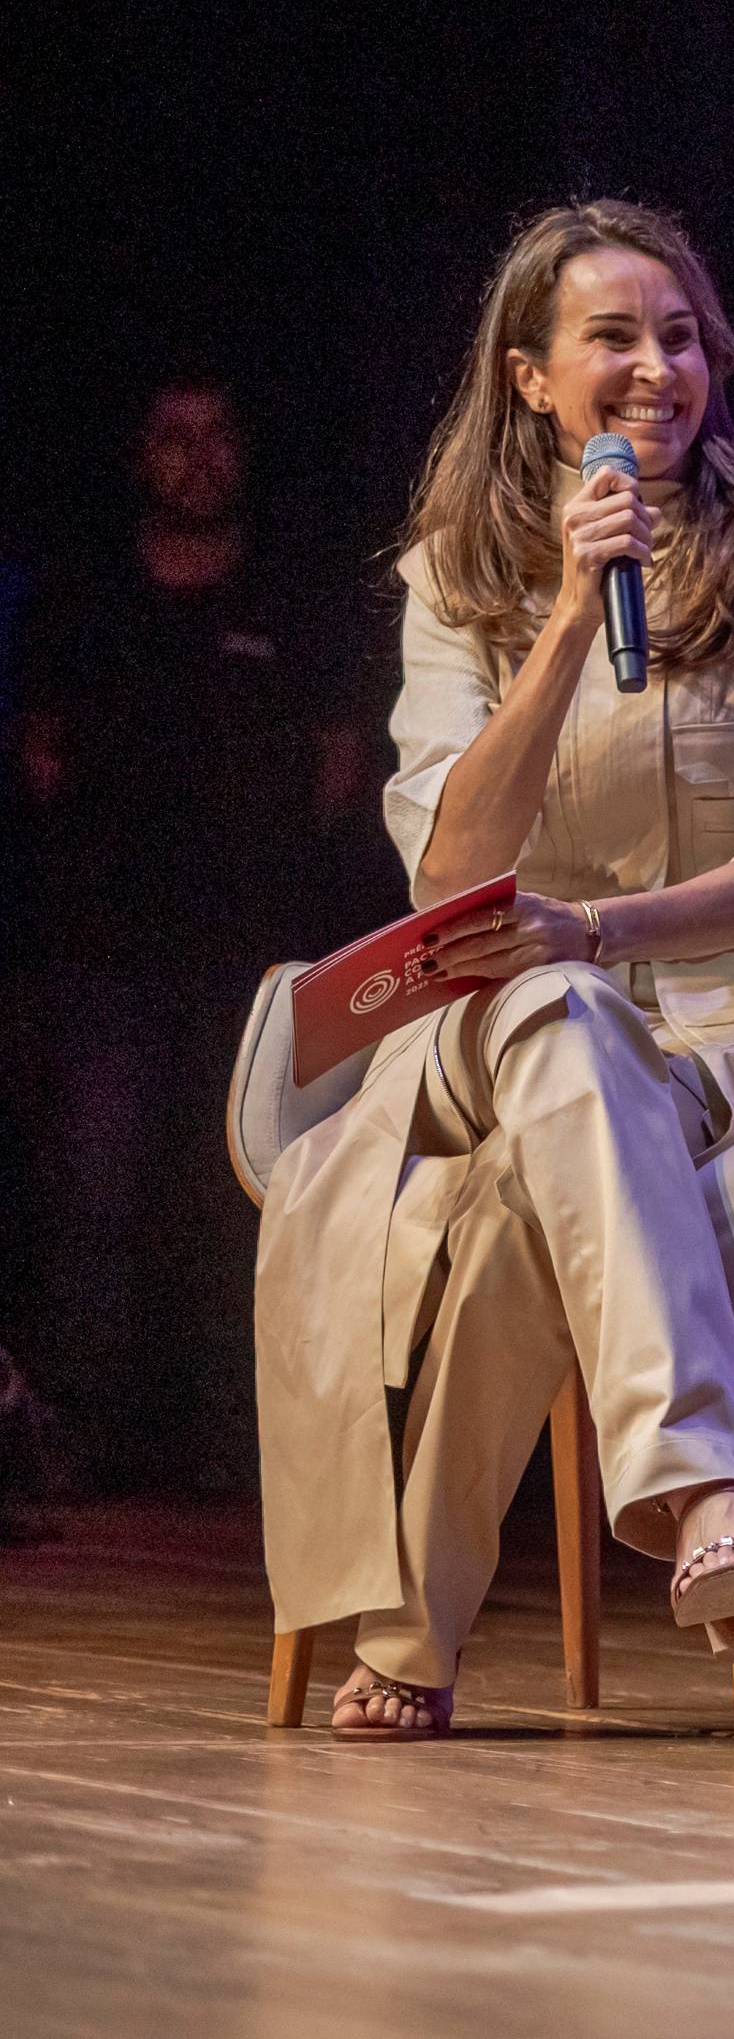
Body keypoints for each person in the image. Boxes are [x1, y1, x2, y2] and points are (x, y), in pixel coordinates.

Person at [252, 200, 734, 1738]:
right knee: (553, 1015)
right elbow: (453, 868)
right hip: (488, 1022)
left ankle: (413, 1630)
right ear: (533, 377)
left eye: (680, 336)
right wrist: (559, 621)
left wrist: (595, 932)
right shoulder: (452, 579)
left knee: (540, 1174)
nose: (657, 367)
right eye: (614, 336)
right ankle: (707, 1478)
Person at [7, 380, 386, 1490]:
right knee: (98, 1192)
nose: (199, 457)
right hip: (109, 950)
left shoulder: (291, 591)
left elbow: (340, 763)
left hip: (254, 955)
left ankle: (236, 1438)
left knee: (245, 1193)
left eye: (219, 434)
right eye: (175, 437)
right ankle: (84, 1439)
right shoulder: (89, 594)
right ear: (140, 455)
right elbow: (40, 751)